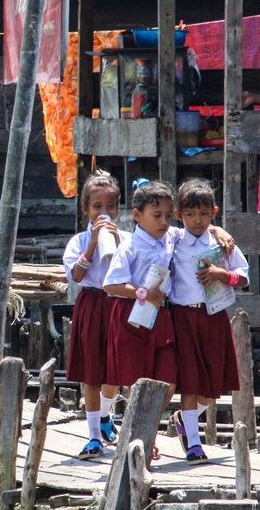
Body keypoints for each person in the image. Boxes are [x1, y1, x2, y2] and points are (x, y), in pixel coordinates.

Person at [169, 179, 249, 465]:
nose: (197, 221)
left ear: (213, 212)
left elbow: (244, 277)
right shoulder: (174, 239)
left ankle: (183, 419)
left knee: (213, 384)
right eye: (190, 214)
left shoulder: (220, 242)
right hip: (183, 318)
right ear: (179, 215)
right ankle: (193, 444)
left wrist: (221, 274)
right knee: (190, 380)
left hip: (213, 315)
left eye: (204, 214)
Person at [63, 172, 129, 460]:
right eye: (97, 207)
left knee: (116, 370)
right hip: (91, 303)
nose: (104, 213)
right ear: (86, 210)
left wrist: (116, 245)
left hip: (117, 304)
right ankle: (93, 437)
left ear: (117, 209)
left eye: (110, 206)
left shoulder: (127, 239)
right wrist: (92, 245)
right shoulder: (78, 241)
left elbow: (129, 274)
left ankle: (104, 416)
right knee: (91, 374)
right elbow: (76, 275)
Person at [103, 181, 178, 422]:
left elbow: (199, 231)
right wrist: (143, 293)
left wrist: (220, 231)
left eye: (168, 216)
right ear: (137, 215)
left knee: (168, 383)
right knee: (134, 383)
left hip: (162, 317)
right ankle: (126, 427)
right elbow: (110, 285)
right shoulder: (129, 246)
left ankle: (146, 428)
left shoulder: (171, 238)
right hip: (132, 315)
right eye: (156, 215)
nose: (164, 222)